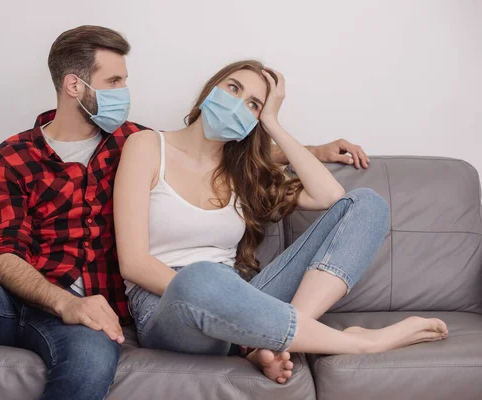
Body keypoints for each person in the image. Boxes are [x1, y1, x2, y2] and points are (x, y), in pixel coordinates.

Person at [0, 25, 378, 399]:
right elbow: (2, 254)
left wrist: (310, 146)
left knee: (95, 360)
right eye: (114, 82)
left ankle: (280, 332)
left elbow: (206, 152)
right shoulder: (11, 158)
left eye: (124, 81)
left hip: (98, 313)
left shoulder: (129, 141)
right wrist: (67, 302)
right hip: (25, 298)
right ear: (75, 86)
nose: (125, 92)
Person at [114, 59, 449, 386]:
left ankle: (275, 340)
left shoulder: (243, 170)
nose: (237, 105)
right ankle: (362, 342)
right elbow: (133, 262)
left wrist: (273, 122)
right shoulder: (146, 145)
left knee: (367, 204)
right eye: (233, 88)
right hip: (166, 308)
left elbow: (330, 196)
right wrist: (219, 296)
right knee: (202, 277)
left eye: (253, 105)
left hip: (242, 299)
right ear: (210, 90)